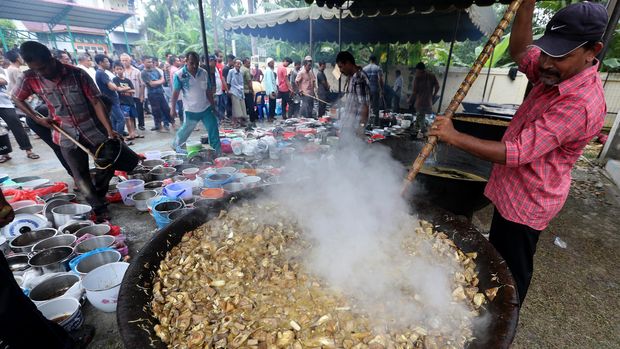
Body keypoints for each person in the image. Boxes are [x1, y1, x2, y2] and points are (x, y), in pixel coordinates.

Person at [429, 1, 607, 305]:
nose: (547, 63)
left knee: (512, 269)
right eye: (549, 50)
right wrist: (527, 6)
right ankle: (491, 301)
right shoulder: (555, 72)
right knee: (496, 254)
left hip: (530, 200)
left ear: (593, 51)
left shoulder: (581, 103)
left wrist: (454, 136)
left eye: (561, 55)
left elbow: (517, 152)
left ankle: (504, 317)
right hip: (511, 189)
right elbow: (522, 52)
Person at [12, 41, 119, 222]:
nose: (42, 72)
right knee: (79, 175)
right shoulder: (29, 77)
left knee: (107, 164)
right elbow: (16, 98)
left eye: (44, 67)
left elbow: (96, 102)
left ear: (51, 58)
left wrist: (110, 131)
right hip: (64, 131)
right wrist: (37, 117)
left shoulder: (77, 74)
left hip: (91, 128)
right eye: (36, 69)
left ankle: (99, 192)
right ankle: (98, 208)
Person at [171, 51, 221, 154]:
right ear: (186, 61)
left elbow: (208, 91)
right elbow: (175, 93)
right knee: (185, 131)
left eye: (196, 63)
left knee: (213, 130)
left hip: (206, 108)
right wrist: (172, 109)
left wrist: (213, 105)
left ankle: (217, 153)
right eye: (191, 63)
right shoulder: (179, 75)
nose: (194, 66)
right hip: (191, 110)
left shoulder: (203, 73)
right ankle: (176, 147)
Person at [0, 63, 39, 163]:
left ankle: (28, 150)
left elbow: (4, 81)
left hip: (4, 103)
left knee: (16, 126)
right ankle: (4, 153)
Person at [336, 51, 370, 137]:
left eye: (341, 67)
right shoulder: (352, 77)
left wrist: (361, 128)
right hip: (350, 127)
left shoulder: (359, 77)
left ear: (348, 63)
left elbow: (364, 106)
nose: (340, 70)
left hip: (356, 127)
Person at [94, 54, 127, 135]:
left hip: (111, 100)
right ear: (100, 62)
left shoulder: (101, 73)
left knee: (114, 120)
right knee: (121, 119)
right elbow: (113, 87)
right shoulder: (101, 73)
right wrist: (118, 87)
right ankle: (120, 139)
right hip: (111, 100)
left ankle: (116, 138)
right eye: (106, 61)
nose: (108, 63)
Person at [141, 56, 172, 131]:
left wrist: (156, 82)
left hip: (160, 92)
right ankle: (159, 126)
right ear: (143, 62)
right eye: (148, 62)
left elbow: (163, 80)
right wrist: (158, 82)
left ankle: (172, 123)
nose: (150, 63)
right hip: (152, 94)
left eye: (151, 61)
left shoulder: (155, 70)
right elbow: (151, 84)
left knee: (166, 109)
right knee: (156, 111)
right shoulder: (143, 73)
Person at [409, 62, 439, 136]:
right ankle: (418, 131)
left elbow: (414, 92)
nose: (416, 72)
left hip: (420, 103)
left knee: (421, 118)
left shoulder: (418, 77)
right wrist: (434, 95)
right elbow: (437, 86)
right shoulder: (432, 75)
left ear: (418, 69)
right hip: (429, 103)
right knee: (423, 118)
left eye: (417, 70)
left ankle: (423, 132)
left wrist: (409, 100)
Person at [112, 61, 139, 140]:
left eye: (121, 69)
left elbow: (133, 90)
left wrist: (124, 90)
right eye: (117, 69)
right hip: (123, 102)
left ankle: (134, 132)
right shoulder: (115, 80)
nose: (119, 70)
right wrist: (128, 88)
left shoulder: (127, 80)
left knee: (132, 117)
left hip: (130, 101)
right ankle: (130, 133)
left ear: (123, 70)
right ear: (114, 70)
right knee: (126, 118)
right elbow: (118, 89)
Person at [120, 53, 146, 131]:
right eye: (122, 60)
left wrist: (142, 95)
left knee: (139, 110)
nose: (124, 62)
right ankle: (133, 126)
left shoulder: (137, 71)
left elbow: (142, 84)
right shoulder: (121, 72)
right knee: (130, 111)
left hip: (137, 94)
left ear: (130, 60)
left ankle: (141, 124)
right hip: (126, 96)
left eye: (126, 60)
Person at [363, 55, 383, 126]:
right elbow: (380, 79)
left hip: (366, 91)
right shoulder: (378, 68)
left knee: (367, 107)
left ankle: (366, 123)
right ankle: (375, 124)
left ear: (369, 60)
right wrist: (381, 89)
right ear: (375, 60)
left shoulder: (364, 69)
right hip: (375, 90)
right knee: (375, 108)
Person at [227, 59, 248, 127]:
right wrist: (228, 91)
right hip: (234, 91)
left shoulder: (241, 72)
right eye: (237, 64)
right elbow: (228, 82)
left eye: (239, 64)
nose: (238, 65)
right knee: (236, 109)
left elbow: (241, 83)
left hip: (241, 91)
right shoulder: (231, 71)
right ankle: (236, 123)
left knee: (242, 107)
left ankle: (241, 122)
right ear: (234, 64)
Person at [209, 55, 228, 122]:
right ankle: (216, 121)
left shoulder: (215, 68)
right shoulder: (209, 70)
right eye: (214, 61)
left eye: (215, 61)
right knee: (216, 107)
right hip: (215, 92)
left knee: (220, 106)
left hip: (219, 91)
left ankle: (220, 119)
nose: (215, 62)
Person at [168, 55, 184, 124]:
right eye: (177, 61)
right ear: (174, 62)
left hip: (177, 91)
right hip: (179, 92)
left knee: (181, 106)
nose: (179, 62)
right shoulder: (175, 71)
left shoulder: (173, 69)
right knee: (181, 107)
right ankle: (183, 121)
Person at [241, 58, 256, 123]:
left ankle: (244, 119)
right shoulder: (246, 70)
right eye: (248, 63)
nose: (249, 64)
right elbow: (249, 82)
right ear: (244, 63)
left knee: (244, 106)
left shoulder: (240, 69)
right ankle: (252, 120)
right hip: (247, 90)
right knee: (251, 106)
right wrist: (252, 90)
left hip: (241, 91)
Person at [223, 54, 236, 119]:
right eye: (233, 61)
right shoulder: (226, 69)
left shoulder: (231, 69)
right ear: (229, 61)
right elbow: (224, 80)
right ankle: (229, 116)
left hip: (232, 89)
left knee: (232, 103)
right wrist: (227, 90)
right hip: (229, 89)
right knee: (229, 103)